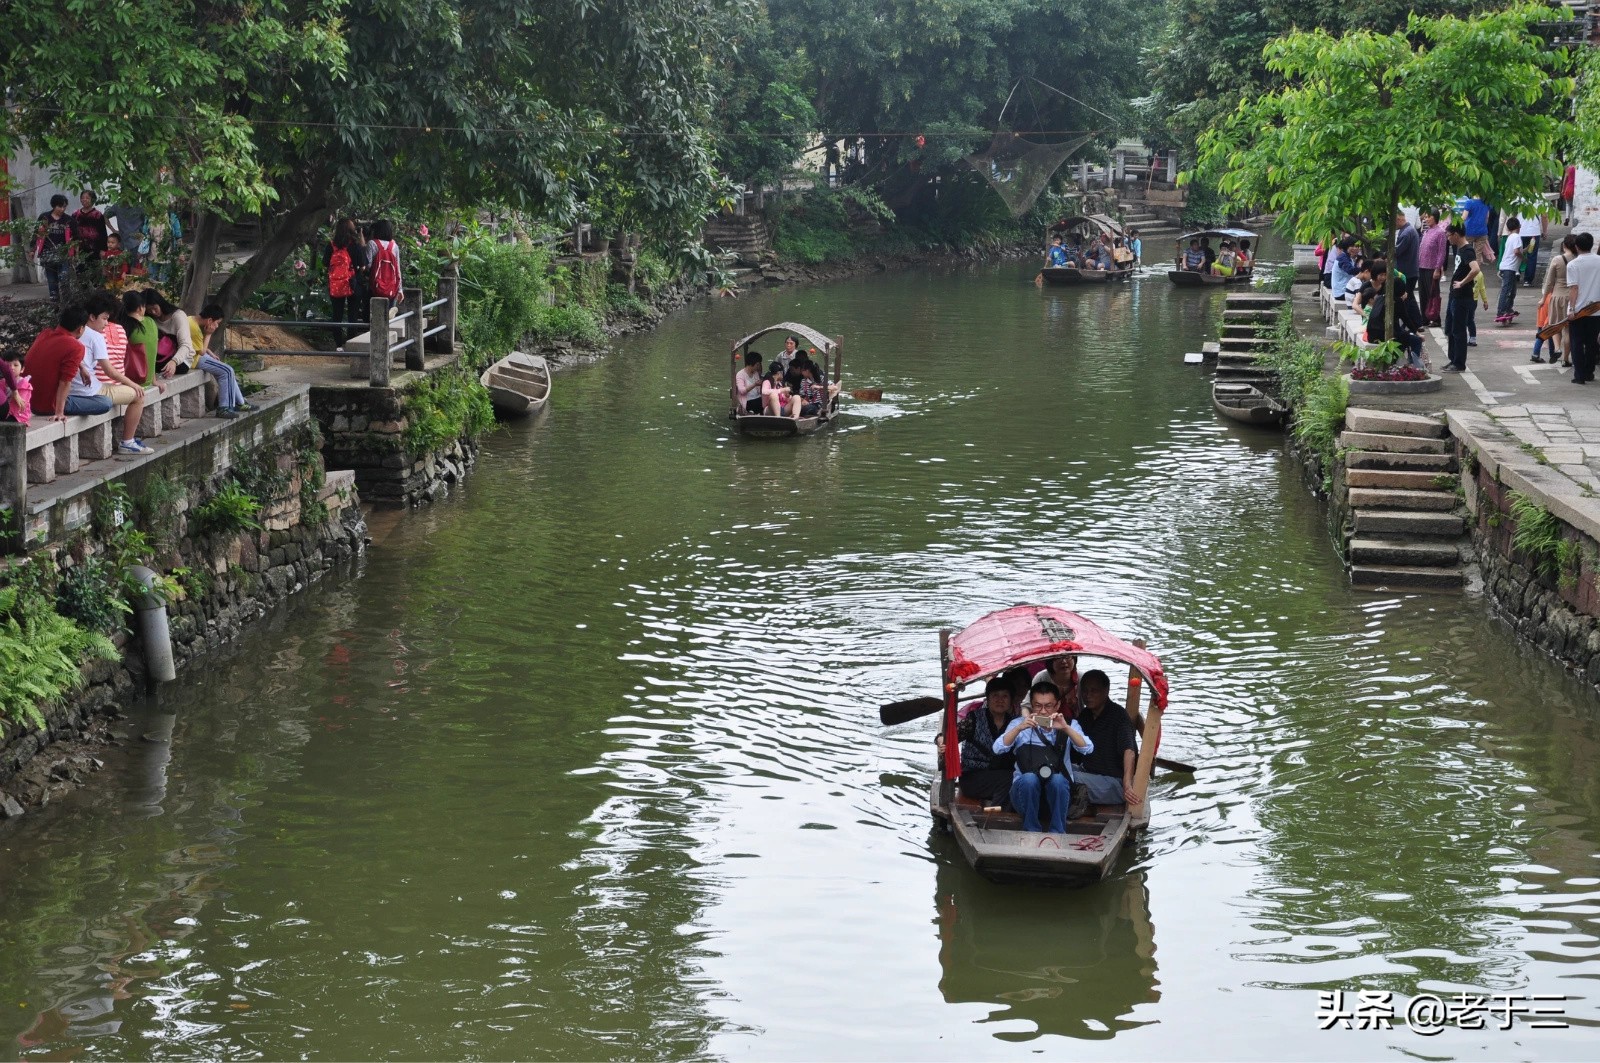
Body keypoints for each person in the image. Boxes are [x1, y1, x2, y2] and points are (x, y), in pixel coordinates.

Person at [992, 680, 1092, 834]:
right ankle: (1031, 830)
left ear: (1057, 705)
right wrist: (1019, 728)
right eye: (1038, 706)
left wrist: (1065, 728)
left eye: (1048, 706)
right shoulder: (1019, 724)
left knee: (1058, 780)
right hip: (1024, 795)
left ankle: (1058, 832)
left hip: (1057, 796)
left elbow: (1088, 748)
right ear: (1031, 705)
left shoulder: (1068, 724)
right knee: (1029, 779)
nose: (1043, 711)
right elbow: (998, 748)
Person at [82, 290, 159, 453]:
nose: (105, 323)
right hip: (102, 386)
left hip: (93, 385)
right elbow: (110, 371)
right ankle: (127, 442)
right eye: (104, 317)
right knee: (139, 395)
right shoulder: (107, 332)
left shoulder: (81, 333)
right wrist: (135, 384)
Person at [1068, 670, 1142, 807]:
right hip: (1089, 772)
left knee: (1067, 777)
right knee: (1058, 768)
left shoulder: (1119, 716)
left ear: (1106, 691)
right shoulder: (1085, 715)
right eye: (1084, 691)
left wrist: (1127, 785)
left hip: (1113, 783)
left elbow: (1129, 751)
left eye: (1094, 691)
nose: (1088, 695)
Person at [954, 677, 1022, 807]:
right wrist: (940, 740)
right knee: (1008, 779)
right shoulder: (974, 718)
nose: (1000, 700)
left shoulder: (1015, 723)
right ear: (988, 698)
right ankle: (996, 815)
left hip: (1003, 775)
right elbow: (950, 737)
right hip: (973, 777)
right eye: (995, 695)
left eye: (1005, 696)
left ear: (1011, 700)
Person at [26, 305, 90, 421]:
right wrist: (59, 412)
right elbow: (65, 381)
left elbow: (57, 355)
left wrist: (81, 367)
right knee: (104, 402)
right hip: (49, 406)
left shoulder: (45, 334)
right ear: (81, 329)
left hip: (28, 400)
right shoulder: (76, 346)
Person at [197, 305, 256, 417]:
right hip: (194, 359)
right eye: (217, 323)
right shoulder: (193, 327)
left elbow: (196, 345)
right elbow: (200, 352)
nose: (217, 326)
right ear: (210, 320)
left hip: (198, 355)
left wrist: (209, 351)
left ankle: (240, 402)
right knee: (227, 371)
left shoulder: (193, 323)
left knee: (228, 370)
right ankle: (225, 407)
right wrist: (209, 334)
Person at [1534, 234, 1576, 366]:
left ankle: (1557, 348)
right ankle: (1566, 359)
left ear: (1564, 245)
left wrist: (1543, 298)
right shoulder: (1578, 260)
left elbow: (1549, 282)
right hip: (1573, 297)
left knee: (1555, 326)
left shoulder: (1557, 260)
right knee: (1568, 330)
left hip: (1557, 297)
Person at [1444, 222, 1480, 372]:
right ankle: (1453, 359)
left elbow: (1476, 269)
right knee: (1451, 328)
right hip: (1454, 296)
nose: (1448, 238)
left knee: (1458, 330)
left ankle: (1459, 363)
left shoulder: (1468, 251)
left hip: (1462, 297)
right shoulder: (1460, 249)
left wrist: (1462, 283)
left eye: (1449, 235)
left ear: (1456, 235)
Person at [1565, 231, 1600, 385]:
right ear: (1592, 245)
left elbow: (1574, 289)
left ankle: (1579, 375)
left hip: (1579, 310)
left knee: (1577, 342)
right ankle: (1589, 372)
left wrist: (1571, 309)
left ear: (1577, 247)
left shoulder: (1573, 265)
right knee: (1592, 342)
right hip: (1596, 309)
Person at [144, 291, 195, 377]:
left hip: (181, 360)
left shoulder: (178, 316)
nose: (153, 312)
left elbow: (186, 345)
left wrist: (174, 361)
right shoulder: (150, 320)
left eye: (154, 308)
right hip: (160, 358)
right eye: (149, 310)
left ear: (160, 302)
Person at [33, 194, 73, 302]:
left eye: (64, 206)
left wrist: (75, 253)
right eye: (60, 206)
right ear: (54, 206)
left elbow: (75, 237)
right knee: (51, 280)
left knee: (64, 278)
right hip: (47, 253)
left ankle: (67, 301)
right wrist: (33, 250)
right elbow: (36, 234)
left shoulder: (68, 220)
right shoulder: (44, 217)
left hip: (63, 253)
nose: (62, 209)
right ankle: (54, 302)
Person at [327, 218, 361, 341]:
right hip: (353, 283)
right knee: (353, 314)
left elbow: (326, 263)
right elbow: (361, 265)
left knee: (337, 314)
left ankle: (338, 345)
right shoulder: (355, 245)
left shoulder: (331, 246)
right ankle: (352, 341)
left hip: (336, 284)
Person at [118, 290, 159, 387]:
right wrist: (154, 380)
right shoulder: (151, 322)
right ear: (140, 308)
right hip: (148, 380)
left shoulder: (122, 326)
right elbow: (153, 350)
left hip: (130, 381)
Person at [1417, 208, 1448, 327]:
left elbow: (1441, 253)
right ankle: (1424, 317)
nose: (1426, 219)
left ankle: (1435, 318)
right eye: (1425, 217)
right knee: (1423, 293)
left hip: (1432, 268)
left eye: (1428, 217)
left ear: (1435, 217)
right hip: (1422, 266)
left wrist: (1437, 268)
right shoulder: (1426, 232)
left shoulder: (1440, 233)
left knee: (1433, 294)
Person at [368, 219, 403, 307]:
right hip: (391, 286)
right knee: (388, 317)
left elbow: (368, 265)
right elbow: (397, 269)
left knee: (374, 315)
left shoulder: (372, 244)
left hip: (375, 286)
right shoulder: (394, 246)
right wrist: (400, 290)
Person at [1496, 217, 1524, 324]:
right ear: (1518, 227)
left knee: (1511, 291)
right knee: (1507, 290)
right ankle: (1502, 310)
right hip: (1509, 268)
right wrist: (1523, 257)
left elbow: (1516, 251)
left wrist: (1525, 251)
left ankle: (1508, 308)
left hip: (1509, 267)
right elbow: (1517, 252)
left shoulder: (1510, 237)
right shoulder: (1516, 236)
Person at [71, 190, 109, 258]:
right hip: (79, 249)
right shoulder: (75, 215)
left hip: (95, 248)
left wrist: (103, 249)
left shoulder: (98, 215)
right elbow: (72, 232)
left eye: (87, 198)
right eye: (82, 198)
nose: (84, 199)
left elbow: (103, 233)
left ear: (93, 200)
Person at [0, 353, 32, 424]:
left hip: (18, 414)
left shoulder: (24, 384)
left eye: (16, 365)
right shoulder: (2, 383)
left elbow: (21, 403)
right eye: (8, 365)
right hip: (6, 413)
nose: (11, 367)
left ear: (22, 369)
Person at [1392, 211, 1419, 288]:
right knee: (1409, 295)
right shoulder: (1410, 229)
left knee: (1406, 295)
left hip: (1407, 272)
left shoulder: (1406, 233)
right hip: (1411, 270)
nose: (1394, 224)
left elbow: (1396, 251)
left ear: (1399, 219)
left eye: (1394, 221)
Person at [1519, 210, 1543, 286]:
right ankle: (1527, 280)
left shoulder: (1517, 197)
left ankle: (1515, 273)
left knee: (1517, 253)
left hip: (1520, 230)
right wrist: (1544, 231)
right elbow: (1544, 216)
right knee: (1531, 256)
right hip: (1534, 232)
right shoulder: (1540, 199)